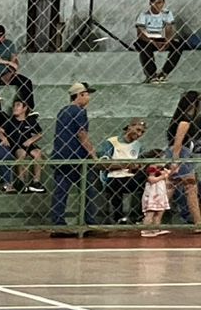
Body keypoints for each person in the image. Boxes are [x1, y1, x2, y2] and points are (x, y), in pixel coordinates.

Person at [50, 81, 96, 230]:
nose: (88, 98)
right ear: (80, 95)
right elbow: (82, 135)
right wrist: (93, 154)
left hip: (61, 155)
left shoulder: (63, 111)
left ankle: (58, 223)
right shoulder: (80, 112)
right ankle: (89, 221)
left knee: (61, 191)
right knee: (88, 190)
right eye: (86, 94)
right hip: (76, 157)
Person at [96, 118, 146, 224]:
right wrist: (126, 165)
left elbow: (139, 163)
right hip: (113, 177)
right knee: (116, 185)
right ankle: (118, 217)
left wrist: (137, 167)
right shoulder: (111, 142)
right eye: (138, 130)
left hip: (130, 176)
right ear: (129, 127)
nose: (139, 134)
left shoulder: (138, 146)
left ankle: (141, 215)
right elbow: (103, 164)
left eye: (142, 132)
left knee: (148, 179)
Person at [166, 89, 201, 227]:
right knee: (191, 189)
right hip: (181, 154)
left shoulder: (180, 119)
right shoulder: (184, 121)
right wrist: (175, 160)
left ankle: (152, 221)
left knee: (171, 187)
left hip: (180, 153)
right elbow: (178, 142)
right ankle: (198, 222)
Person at [136, 0, 181, 84]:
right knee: (144, 47)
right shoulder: (143, 15)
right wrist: (153, 42)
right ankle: (151, 75)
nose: (159, 5)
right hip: (148, 40)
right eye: (156, 3)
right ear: (150, 3)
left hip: (161, 39)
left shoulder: (167, 13)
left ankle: (164, 73)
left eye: (161, 3)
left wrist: (167, 41)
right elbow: (140, 34)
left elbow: (169, 30)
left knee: (178, 45)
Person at [8, 97, 45, 192]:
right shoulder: (10, 121)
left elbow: (40, 134)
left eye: (18, 105)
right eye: (14, 106)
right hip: (16, 145)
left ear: (24, 108)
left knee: (38, 153)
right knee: (22, 153)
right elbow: (0, 130)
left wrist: (30, 140)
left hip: (28, 144)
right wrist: (4, 139)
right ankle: (21, 181)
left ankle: (36, 182)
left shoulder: (30, 120)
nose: (15, 108)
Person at [140, 150, 175, 237]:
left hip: (160, 192)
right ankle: (145, 229)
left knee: (159, 212)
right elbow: (151, 180)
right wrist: (162, 176)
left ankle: (156, 228)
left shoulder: (161, 168)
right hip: (153, 193)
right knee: (151, 212)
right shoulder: (152, 168)